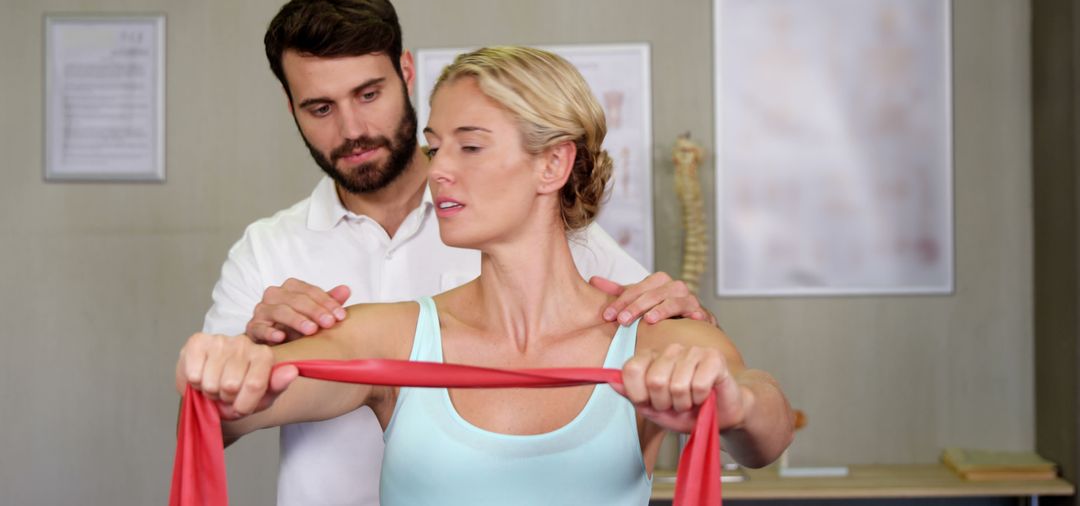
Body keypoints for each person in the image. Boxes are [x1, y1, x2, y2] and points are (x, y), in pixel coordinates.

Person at [180, 46, 794, 505]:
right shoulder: (391, 337)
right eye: (434, 145)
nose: (437, 169)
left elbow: (765, 433)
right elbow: (239, 408)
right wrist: (228, 365)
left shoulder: (655, 341)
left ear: (553, 163)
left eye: (469, 147)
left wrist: (735, 402)